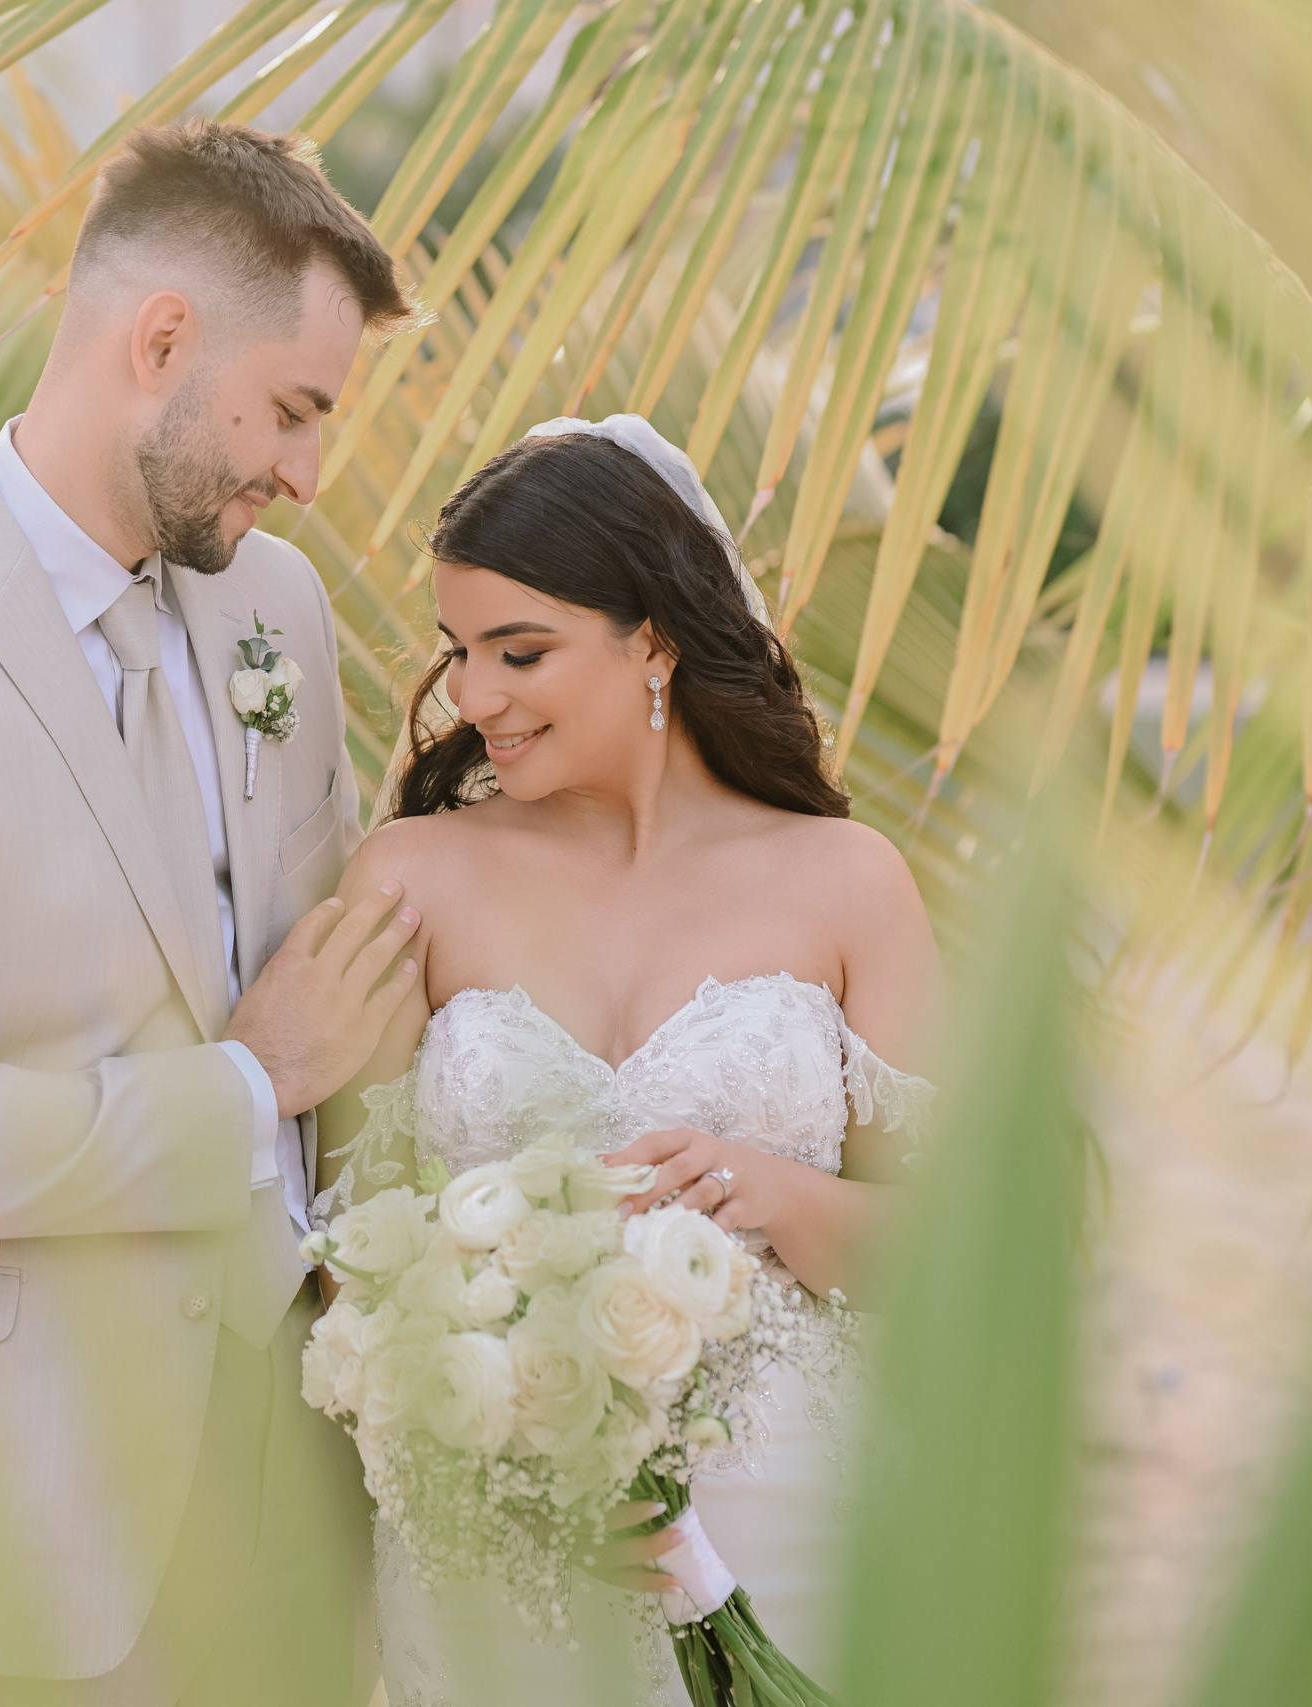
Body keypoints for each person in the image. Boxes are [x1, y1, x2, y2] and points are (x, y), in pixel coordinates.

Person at [0, 121, 420, 1705]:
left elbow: (341, 969)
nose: (309, 477)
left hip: (303, 1479)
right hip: (17, 1525)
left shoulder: (275, 607)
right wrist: (251, 1082)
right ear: (161, 341)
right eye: (294, 410)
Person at [315, 416, 945, 1702]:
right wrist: (499, 1440)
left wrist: (771, 1193)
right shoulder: (409, 881)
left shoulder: (846, 882)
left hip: (792, 1521)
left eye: (520, 652)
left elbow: (956, 1253)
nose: (472, 697)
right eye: (458, 652)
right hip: (497, 1550)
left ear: (652, 639)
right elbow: (340, 1251)